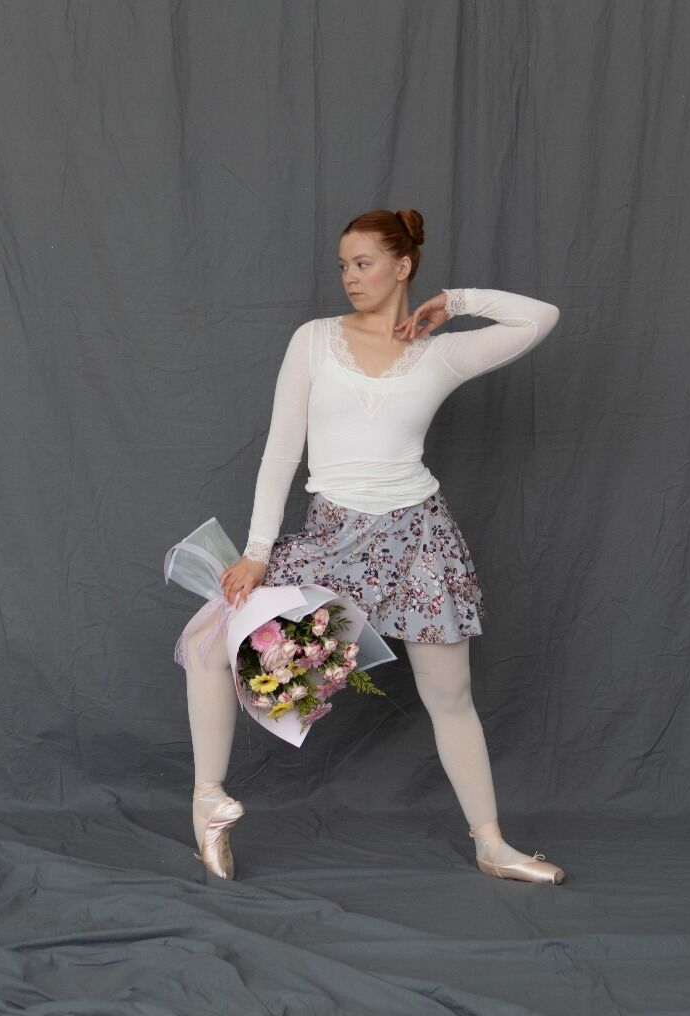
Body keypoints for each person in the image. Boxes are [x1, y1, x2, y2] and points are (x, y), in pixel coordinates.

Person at [182, 207, 564, 884]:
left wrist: (455, 303)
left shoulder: (442, 353)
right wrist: (259, 550)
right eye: (343, 266)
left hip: (418, 542)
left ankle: (491, 845)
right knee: (210, 643)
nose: (349, 278)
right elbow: (281, 451)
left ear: (402, 266)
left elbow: (541, 317)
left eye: (363, 264)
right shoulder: (313, 340)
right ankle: (208, 801)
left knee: (451, 696)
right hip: (332, 538)